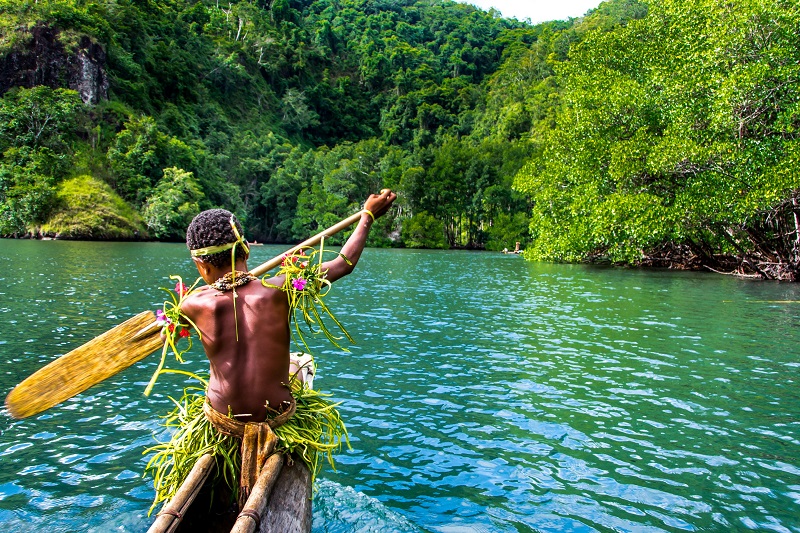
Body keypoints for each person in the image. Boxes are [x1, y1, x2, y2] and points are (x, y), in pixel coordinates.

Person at [146, 189, 396, 514]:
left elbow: (184, 317)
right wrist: (367, 216)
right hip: (277, 420)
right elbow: (343, 263)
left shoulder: (191, 305)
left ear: (199, 264)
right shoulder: (280, 289)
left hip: (223, 422)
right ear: (247, 248)